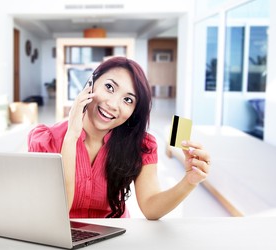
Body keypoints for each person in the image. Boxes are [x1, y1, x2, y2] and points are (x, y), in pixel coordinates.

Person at [28, 57, 210, 220]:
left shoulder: (140, 145)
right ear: (91, 83)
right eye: (109, 87)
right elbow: (55, 213)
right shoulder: (46, 140)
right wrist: (71, 138)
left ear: (133, 112)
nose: (113, 105)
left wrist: (189, 181)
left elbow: (150, 208)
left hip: (115, 238)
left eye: (128, 100)